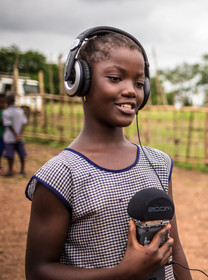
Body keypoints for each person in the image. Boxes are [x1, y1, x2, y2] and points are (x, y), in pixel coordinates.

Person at [25, 27, 192, 280]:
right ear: (82, 82)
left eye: (138, 83)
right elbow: (39, 271)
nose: (130, 91)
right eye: (115, 78)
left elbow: (174, 247)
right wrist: (123, 273)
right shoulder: (60, 175)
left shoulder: (158, 163)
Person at [2, 94, 27, 176]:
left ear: (8, 102)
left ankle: (10, 171)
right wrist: (20, 134)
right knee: (22, 154)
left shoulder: (6, 112)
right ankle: (22, 170)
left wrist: (16, 135)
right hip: (20, 137)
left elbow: (9, 125)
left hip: (10, 137)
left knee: (10, 155)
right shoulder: (20, 111)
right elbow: (24, 123)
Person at [0, 93, 6, 174]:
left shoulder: (5, 109)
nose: (2, 104)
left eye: (4, 102)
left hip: (4, 135)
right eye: (1, 102)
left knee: (2, 151)